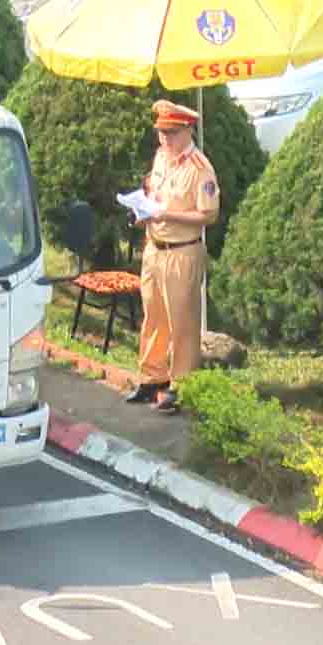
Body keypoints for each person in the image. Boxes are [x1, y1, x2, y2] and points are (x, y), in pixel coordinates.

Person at [127, 99, 220, 412]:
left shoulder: (200, 169)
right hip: (155, 247)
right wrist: (144, 210)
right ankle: (152, 377)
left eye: (171, 133)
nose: (164, 139)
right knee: (153, 316)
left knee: (183, 322)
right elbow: (155, 195)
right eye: (161, 132)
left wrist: (169, 215)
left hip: (183, 251)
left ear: (187, 130)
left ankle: (181, 385)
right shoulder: (161, 158)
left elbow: (208, 215)